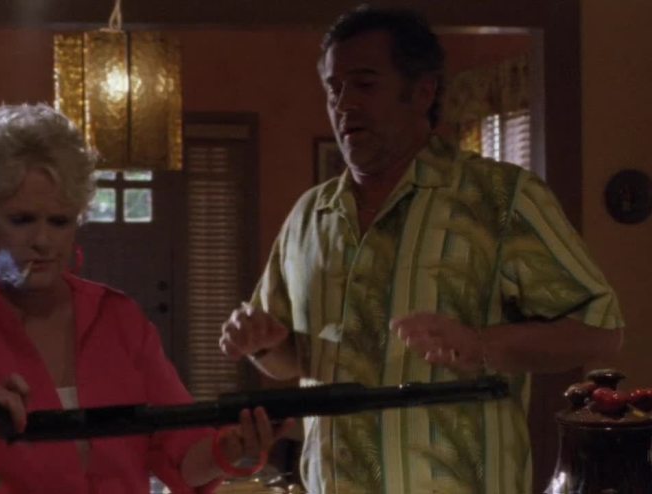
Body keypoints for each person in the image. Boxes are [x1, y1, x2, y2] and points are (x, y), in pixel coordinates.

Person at [219, 6, 624, 494]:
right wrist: (263, 345)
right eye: (333, 88)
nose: (343, 104)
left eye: (364, 84)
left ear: (422, 91)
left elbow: (600, 331)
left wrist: (482, 345)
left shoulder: (501, 199)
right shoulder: (310, 216)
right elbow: (293, 361)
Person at [0, 103, 292, 494]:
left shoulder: (118, 320)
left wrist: (232, 450)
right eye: (22, 219)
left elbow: (181, 456)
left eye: (59, 221)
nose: (43, 240)